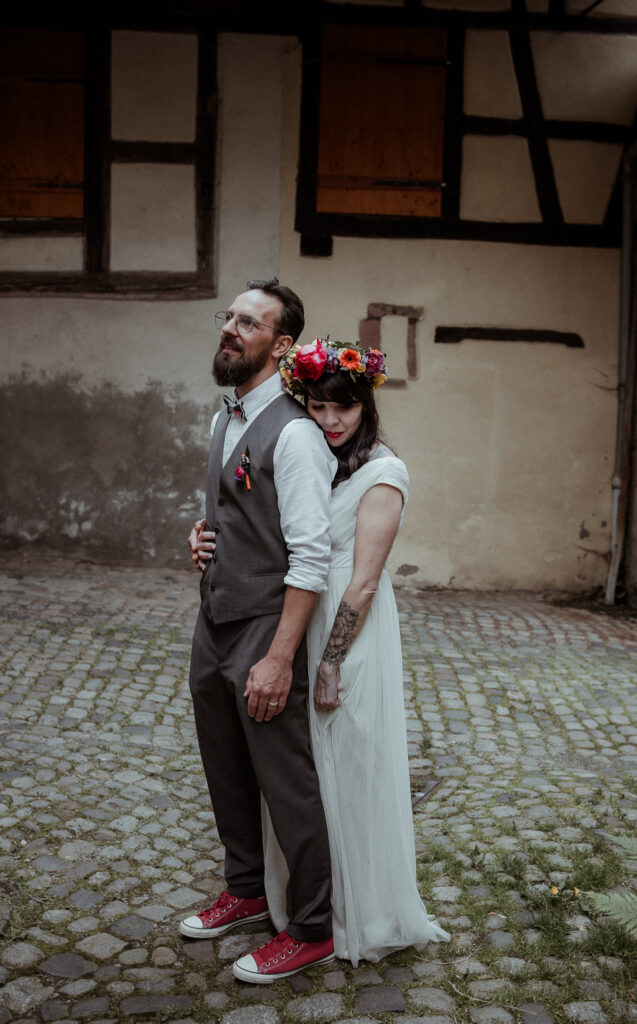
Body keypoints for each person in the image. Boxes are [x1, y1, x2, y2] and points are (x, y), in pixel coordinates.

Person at [261, 336, 450, 967]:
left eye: (345, 407)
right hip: (309, 618)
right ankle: (315, 900)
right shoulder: (320, 462)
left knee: (352, 762)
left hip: (352, 634)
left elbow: (364, 580)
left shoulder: (383, 472)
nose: (332, 420)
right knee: (312, 769)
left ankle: (362, 911)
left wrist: (332, 660)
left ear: (367, 405)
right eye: (318, 406)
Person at [180, 279, 338, 984]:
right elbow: (230, 511)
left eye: (249, 322)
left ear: (279, 345)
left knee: (285, 780)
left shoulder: (297, 434)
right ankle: (245, 890)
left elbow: (312, 557)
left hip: (265, 629)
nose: (230, 328)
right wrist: (201, 540)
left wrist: (278, 659)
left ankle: (309, 928)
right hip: (213, 619)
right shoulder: (224, 419)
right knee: (225, 765)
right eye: (229, 316)